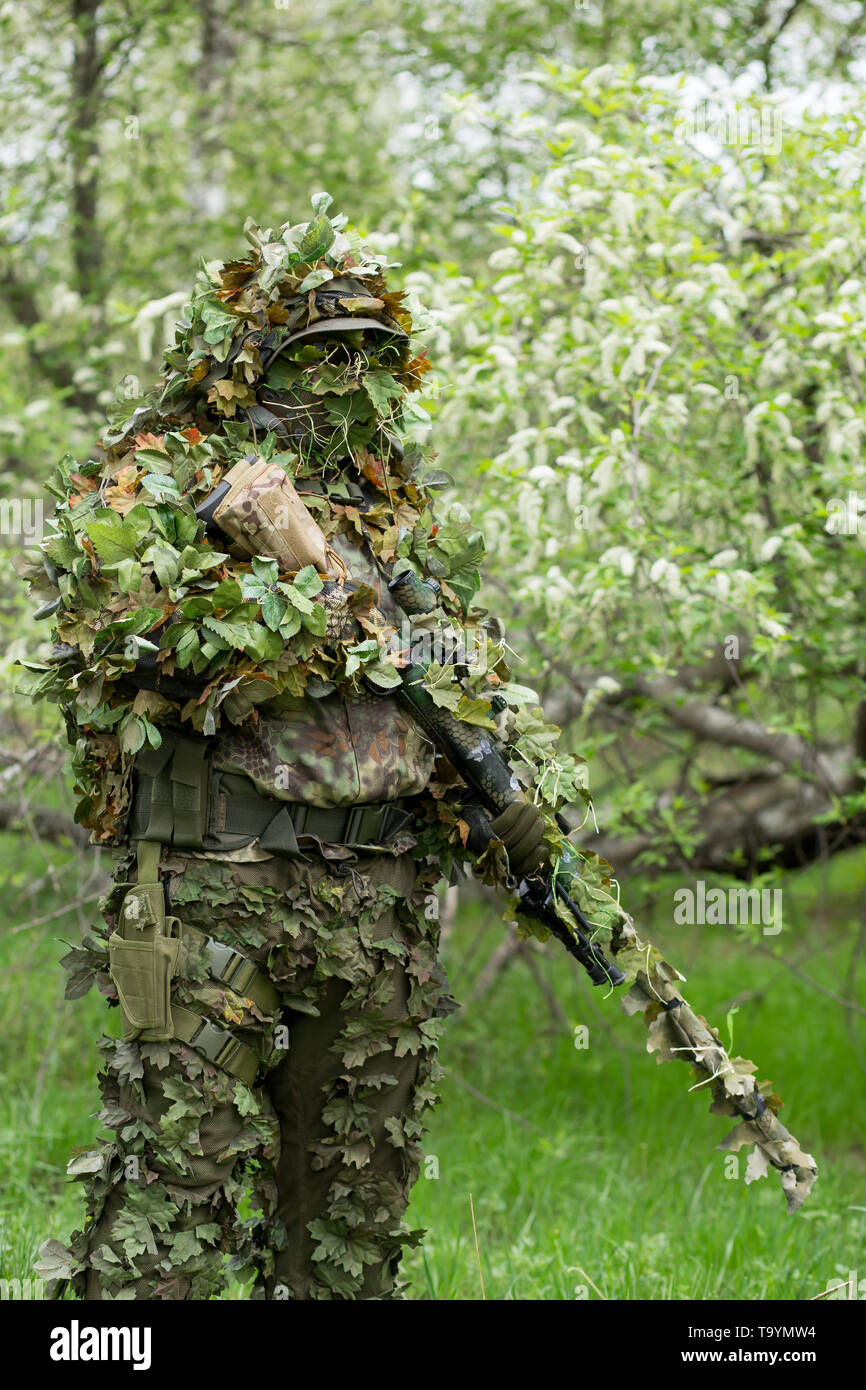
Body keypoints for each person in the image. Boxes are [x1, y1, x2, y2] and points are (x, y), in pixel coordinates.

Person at [27, 200, 549, 1300]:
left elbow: (455, 682)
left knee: (349, 1231)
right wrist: (307, 590)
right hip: (212, 894)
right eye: (319, 356)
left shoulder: (392, 513)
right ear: (250, 359)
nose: (343, 383)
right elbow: (127, 635)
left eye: (368, 357)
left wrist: (504, 800)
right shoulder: (160, 481)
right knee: (164, 1220)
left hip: (377, 910)